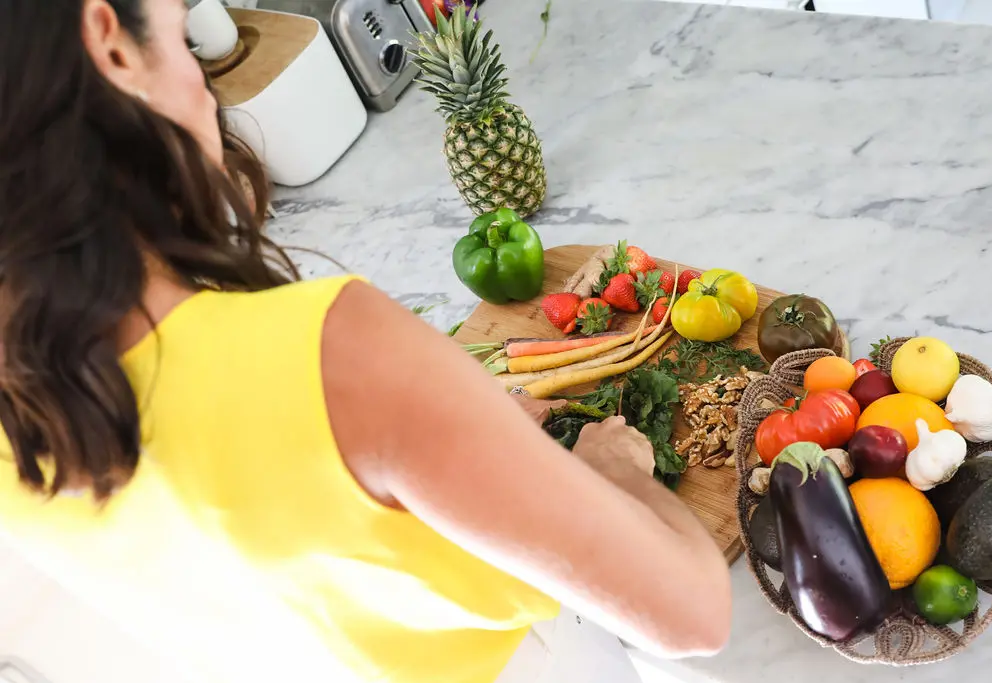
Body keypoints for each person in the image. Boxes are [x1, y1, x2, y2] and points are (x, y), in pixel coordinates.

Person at [0, 1, 731, 682]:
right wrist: (615, 469)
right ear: (111, 45)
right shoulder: (330, 348)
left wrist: (453, 442)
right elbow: (693, 613)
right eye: (184, 41)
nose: (202, 87)